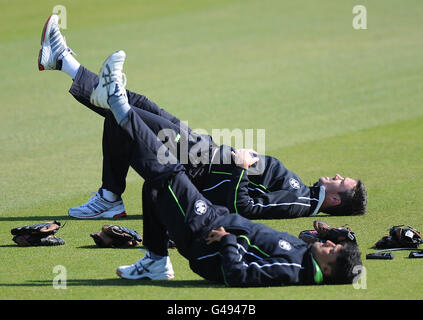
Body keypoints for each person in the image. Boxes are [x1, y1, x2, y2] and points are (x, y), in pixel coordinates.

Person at [38, 15, 363, 286]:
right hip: (208, 156)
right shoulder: (302, 200)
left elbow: (246, 207)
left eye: (342, 182)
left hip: (207, 167)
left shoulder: (301, 200)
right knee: (137, 107)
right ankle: (65, 63)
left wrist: (239, 166)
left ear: (335, 200)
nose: (337, 175)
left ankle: (109, 189)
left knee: (130, 119)